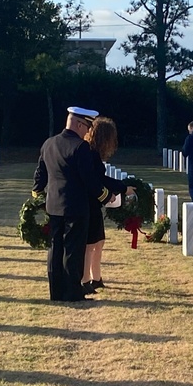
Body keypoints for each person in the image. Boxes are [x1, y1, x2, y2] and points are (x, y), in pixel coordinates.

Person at [33, 106, 115, 302]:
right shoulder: (80, 147)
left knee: (55, 249)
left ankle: (56, 292)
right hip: (76, 207)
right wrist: (106, 196)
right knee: (73, 250)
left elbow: (40, 175)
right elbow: (89, 179)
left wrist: (37, 194)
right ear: (78, 124)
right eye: (87, 126)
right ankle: (72, 293)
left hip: (54, 205)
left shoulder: (49, 143)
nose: (88, 131)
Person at [82, 117, 133, 294]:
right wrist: (123, 188)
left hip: (94, 203)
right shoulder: (89, 153)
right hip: (88, 201)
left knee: (99, 241)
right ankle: (85, 280)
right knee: (89, 244)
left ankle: (96, 277)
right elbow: (98, 179)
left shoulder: (93, 153)